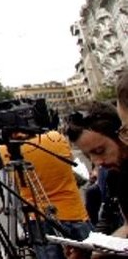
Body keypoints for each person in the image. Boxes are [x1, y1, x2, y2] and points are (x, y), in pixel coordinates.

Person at [0, 130, 92, 258]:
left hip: (38, 221)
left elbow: (11, 194)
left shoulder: (5, 151)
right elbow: (77, 174)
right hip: (75, 214)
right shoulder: (56, 137)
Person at [63, 101, 128, 259]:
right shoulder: (114, 175)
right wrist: (91, 249)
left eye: (100, 151)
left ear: (122, 133)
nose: (97, 162)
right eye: (89, 156)